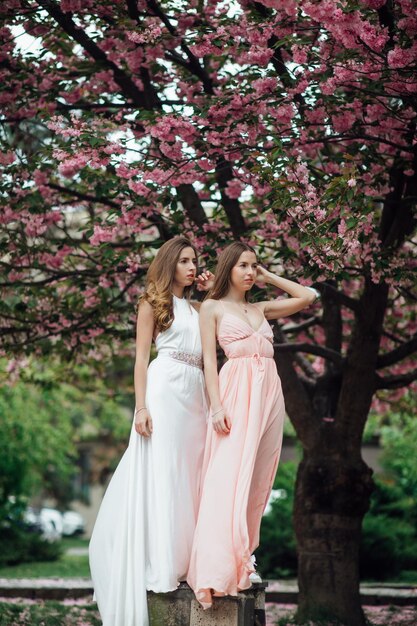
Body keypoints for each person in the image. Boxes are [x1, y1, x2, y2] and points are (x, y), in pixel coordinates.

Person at [89, 236, 212, 626]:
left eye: (195, 261)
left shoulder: (198, 307)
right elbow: (141, 359)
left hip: (196, 393)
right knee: (165, 470)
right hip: (164, 388)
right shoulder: (151, 303)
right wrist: (141, 406)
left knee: (192, 474)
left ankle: (190, 557)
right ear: (170, 264)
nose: (192, 267)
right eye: (185, 261)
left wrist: (212, 292)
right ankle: (162, 559)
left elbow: (220, 325)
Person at [187, 241, 317, 609]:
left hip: (269, 392)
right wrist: (215, 405)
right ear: (228, 267)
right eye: (242, 265)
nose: (248, 272)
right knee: (228, 474)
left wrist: (268, 275)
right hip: (235, 390)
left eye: (253, 266)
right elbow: (209, 363)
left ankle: (243, 556)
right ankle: (215, 567)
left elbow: (307, 296)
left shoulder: (260, 307)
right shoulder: (211, 307)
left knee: (260, 474)